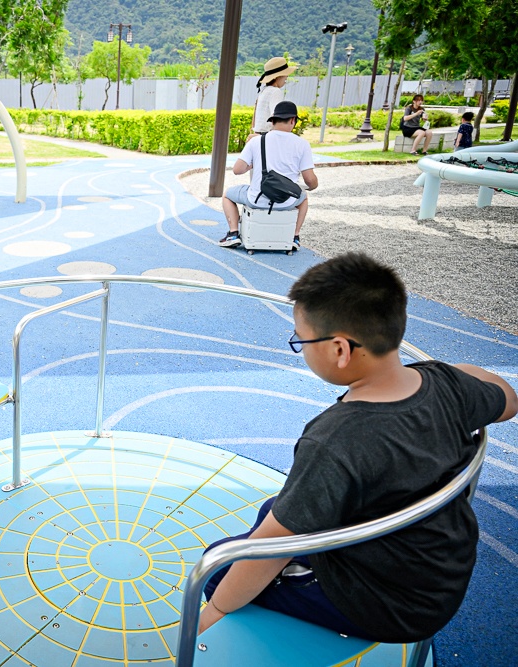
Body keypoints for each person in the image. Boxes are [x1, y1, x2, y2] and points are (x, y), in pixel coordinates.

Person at [198, 252, 517, 644]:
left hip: (388, 603)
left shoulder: (334, 441)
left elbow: (271, 549)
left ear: (339, 350)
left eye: (302, 339)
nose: (300, 346)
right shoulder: (443, 387)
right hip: (438, 566)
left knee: (219, 566)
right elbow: (507, 397)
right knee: (276, 511)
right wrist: (446, 373)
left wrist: (214, 610)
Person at [219, 101, 318, 251]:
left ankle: (233, 233)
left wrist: (253, 163)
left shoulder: (256, 141)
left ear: (272, 121)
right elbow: (310, 179)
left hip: (257, 199)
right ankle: (294, 237)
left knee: (227, 195)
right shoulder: (302, 144)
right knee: (303, 198)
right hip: (286, 200)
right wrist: (312, 186)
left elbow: (237, 170)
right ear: (293, 120)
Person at [249, 57, 297, 140]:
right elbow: (276, 117)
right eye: (285, 74)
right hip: (267, 137)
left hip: (258, 136)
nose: (287, 77)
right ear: (277, 77)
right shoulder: (275, 92)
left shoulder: (264, 90)